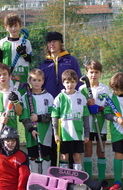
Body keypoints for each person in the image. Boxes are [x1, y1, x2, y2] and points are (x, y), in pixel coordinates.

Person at [39, 31, 82, 166]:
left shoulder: (70, 60)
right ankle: (54, 171)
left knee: (69, 141)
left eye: (55, 41)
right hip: (51, 108)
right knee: (53, 140)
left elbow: (79, 82)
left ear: (60, 43)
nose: (52, 44)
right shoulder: (44, 64)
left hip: (69, 109)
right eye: (49, 42)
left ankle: (72, 173)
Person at [79, 61, 110, 189]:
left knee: (101, 152)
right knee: (88, 151)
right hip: (87, 125)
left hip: (100, 124)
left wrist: (100, 108)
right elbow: (79, 104)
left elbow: (108, 105)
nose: (93, 75)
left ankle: (102, 178)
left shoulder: (104, 88)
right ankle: (89, 179)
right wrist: (87, 104)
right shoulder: (81, 89)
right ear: (86, 73)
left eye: (96, 72)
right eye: (91, 72)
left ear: (100, 74)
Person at [51, 69, 90, 171]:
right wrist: (56, 133)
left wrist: (86, 134)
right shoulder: (59, 98)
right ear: (63, 83)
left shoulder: (81, 98)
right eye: (67, 82)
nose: (70, 85)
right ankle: (65, 179)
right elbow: (54, 116)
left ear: (76, 82)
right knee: (64, 156)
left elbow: (85, 117)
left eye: (72, 82)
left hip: (78, 134)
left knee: (77, 156)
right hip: (64, 134)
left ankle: (78, 179)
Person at [19, 68, 54, 174]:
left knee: (46, 156)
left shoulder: (48, 96)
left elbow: (53, 115)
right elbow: (24, 118)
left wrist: (38, 118)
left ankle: (45, 178)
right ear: (29, 81)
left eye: (39, 80)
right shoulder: (25, 98)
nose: (37, 83)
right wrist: (31, 129)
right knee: (33, 156)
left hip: (45, 133)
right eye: (34, 80)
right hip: (32, 134)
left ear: (43, 81)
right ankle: (34, 178)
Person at [0, 13, 33, 95]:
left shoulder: (26, 42)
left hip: (22, 73)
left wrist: (24, 54)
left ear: (20, 26)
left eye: (15, 25)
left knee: (21, 96)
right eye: (10, 26)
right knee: (8, 96)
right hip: (7, 74)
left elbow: (30, 59)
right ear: (6, 28)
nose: (13, 28)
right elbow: (1, 60)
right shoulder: (3, 42)